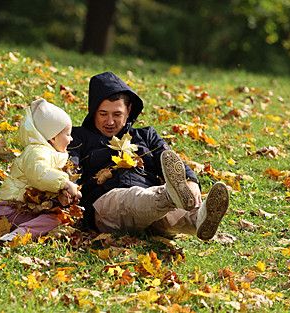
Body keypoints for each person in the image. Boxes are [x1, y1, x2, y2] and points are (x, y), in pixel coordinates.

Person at [68, 72, 229, 240]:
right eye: (103, 114)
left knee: (168, 214)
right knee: (137, 200)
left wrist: (190, 180)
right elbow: (70, 164)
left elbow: (166, 156)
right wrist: (68, 184)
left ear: (129, 110)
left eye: (117, 114)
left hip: (150, 202)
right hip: (105, 203)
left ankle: (199, 219)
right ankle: (170, 196)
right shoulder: (78, 137)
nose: (110, 121)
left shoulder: (146, 135)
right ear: (93, 112)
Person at [0, 99, 82, 243]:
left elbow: (45, 186)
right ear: (53, 138)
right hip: (11, 210)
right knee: (55, 219)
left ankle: (21, 231)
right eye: (68, 134)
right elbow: (40, 175)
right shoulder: (37, 152)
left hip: (23, 209)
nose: (71, 139)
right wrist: (65, 183)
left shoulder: (48, 152)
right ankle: (18, 235)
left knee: (60, 218)